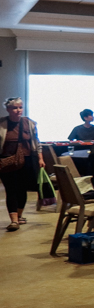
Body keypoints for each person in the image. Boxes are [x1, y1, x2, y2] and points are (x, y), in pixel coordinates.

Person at [0, 98, 43, 231]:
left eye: (20, 107)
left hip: (27, 161)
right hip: (6, 162)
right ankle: (14, 221)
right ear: (8, 109)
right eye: (14, 108)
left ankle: (19, 216)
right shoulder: (2, 124)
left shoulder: (29, 123)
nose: (18, 110)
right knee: (11, 190)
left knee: (22, 189)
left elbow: (36, 142)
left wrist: (40, 159)